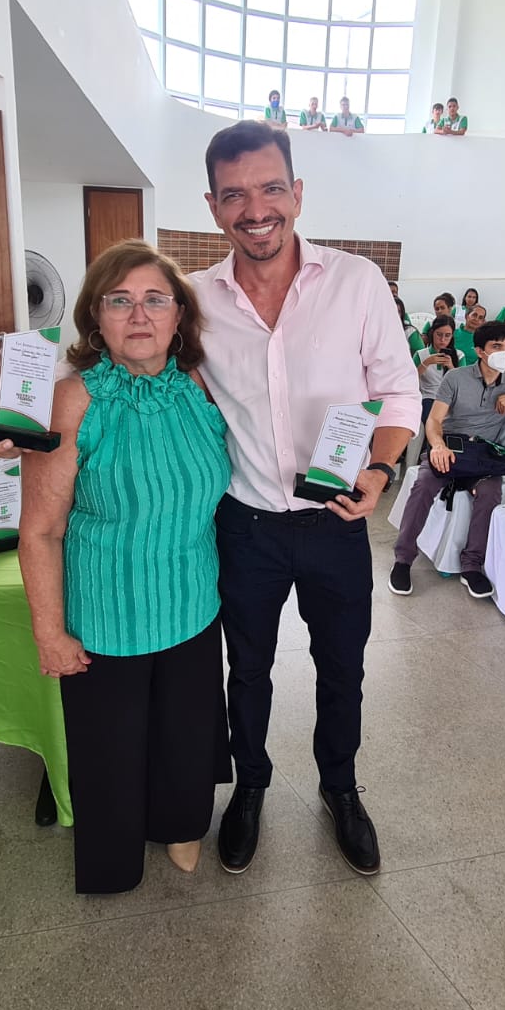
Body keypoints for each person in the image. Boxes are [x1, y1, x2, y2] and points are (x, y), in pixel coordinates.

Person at [192, 121, 419, 877]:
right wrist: (33, 421)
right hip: (245, 524)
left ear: (296, 192)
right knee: (248, 670)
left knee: (342, 668)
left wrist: (379, 471)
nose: (255, 209)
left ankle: (340, 788)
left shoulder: (356, 282)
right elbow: (128, 357)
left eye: (269, 188)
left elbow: (397, 391)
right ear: (213, 206)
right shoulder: (196, 298)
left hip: (335, 521)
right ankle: (251, 787)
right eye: (234, 195)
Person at [0, 241, 230, 895]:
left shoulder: (199, 387)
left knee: (184, 735)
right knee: (112, 750)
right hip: (106, 615)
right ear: (95, 317)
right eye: (120, 301)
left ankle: (181, 824)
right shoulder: (72, 400)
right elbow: (41, 529)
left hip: (193, 602)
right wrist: (49, 633)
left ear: (179, 315)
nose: (139, 315)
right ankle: (114, 860)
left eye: (155, 300)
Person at [389, 322, 505, 599]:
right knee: (425, 484)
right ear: (480, 351)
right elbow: (434, 419)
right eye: (496, 346)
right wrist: (438, 445)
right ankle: (403, 560)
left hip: (484, 455)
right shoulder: (456, 378)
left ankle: (472, 565)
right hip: (451, 447)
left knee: (490, 493)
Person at [415, 316, 463, 423]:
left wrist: (451, 367)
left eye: (447, 335)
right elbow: (411, 379)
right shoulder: (421, 354)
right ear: (432, 333)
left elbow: (462, 384)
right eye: (439, 334)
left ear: (452, 335)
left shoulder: (459, 355)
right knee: (431, 419)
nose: (442, 339)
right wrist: (426, 363)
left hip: (451, 398)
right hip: (428, 397)